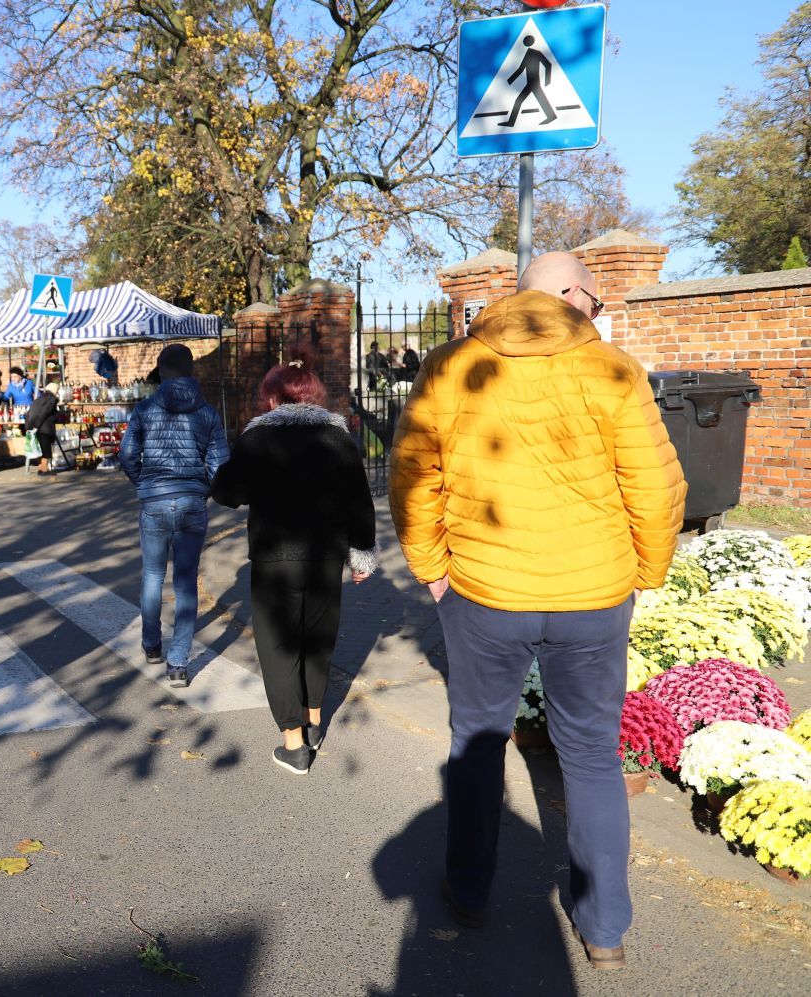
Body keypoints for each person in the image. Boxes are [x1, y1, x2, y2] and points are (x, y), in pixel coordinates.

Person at [388, 251, 685, 970]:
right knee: (590, 755)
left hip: (485, 594)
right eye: (597, 296)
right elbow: (655, 485)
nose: (599, 309)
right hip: (593, 596)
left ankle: (468, 890)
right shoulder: (613, 371)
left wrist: (432, 569)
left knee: (479, 741)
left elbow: (411, 475)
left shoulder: (451, 367)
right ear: (571, 293)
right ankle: (604, 925)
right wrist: (645, 572)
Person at [211, 351, 376, 774]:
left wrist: (225, 472)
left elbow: (228, 493)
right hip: (325, 555)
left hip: (274, 558)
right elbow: (359, 500)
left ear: (272, 397)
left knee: (280, 645)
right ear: (313, 396)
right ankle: (315, 721)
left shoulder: (257, 439)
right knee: (317, 637)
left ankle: (294, 742)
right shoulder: (337, 438)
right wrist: (363, 552)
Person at [119, 344, 229, 688]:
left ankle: (152, 644)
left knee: (152, 575)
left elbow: (127, 455)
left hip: (154, 501)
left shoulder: (144, 409)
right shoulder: (208, 413)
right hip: (192, 502)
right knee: (185, 583)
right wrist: (203, 488)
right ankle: (179, 663)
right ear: (192, 370)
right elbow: (220, 464)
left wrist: (145, 483)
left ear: (160, 371)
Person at [23, 380, 62, 474]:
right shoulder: (51, 399)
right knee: (46, 450)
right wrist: (58, 415)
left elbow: (28, 413)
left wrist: (29, 427)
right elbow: (44, 413)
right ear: (55, 391)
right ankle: (44, 469)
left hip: (33, 427)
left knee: (39, 449)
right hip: (44, 428)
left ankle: (41, 468)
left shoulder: (37, 399)